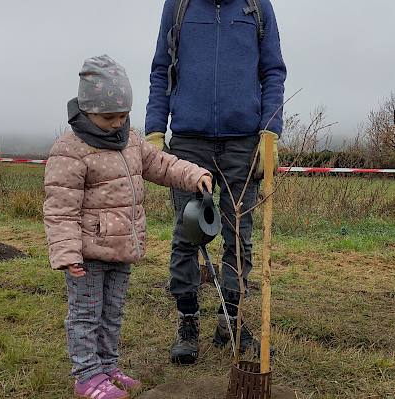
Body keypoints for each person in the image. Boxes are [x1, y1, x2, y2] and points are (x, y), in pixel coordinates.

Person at [44, 55, 213, 398]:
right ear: (87, 110)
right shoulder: (69, 150)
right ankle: (86, 376)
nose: (117, 123)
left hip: (122, 249)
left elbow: (163, 165)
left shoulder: (132, 141)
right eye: (109, 117)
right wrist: (67, 253)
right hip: (87, 256)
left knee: (112, 313)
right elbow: (60, 209)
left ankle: (108, 366)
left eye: (123, 115)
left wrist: (194, 174)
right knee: (86, 316)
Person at [144, 0, 287, 365]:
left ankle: (231, 322)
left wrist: (270, 131)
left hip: (243, 142)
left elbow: (273, 71)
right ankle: (187, 321)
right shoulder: (179, 6)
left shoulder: (257, 6)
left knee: (239, 236)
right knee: (187, 234)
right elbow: (161, 70)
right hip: (189, 141)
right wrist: (155, 130)